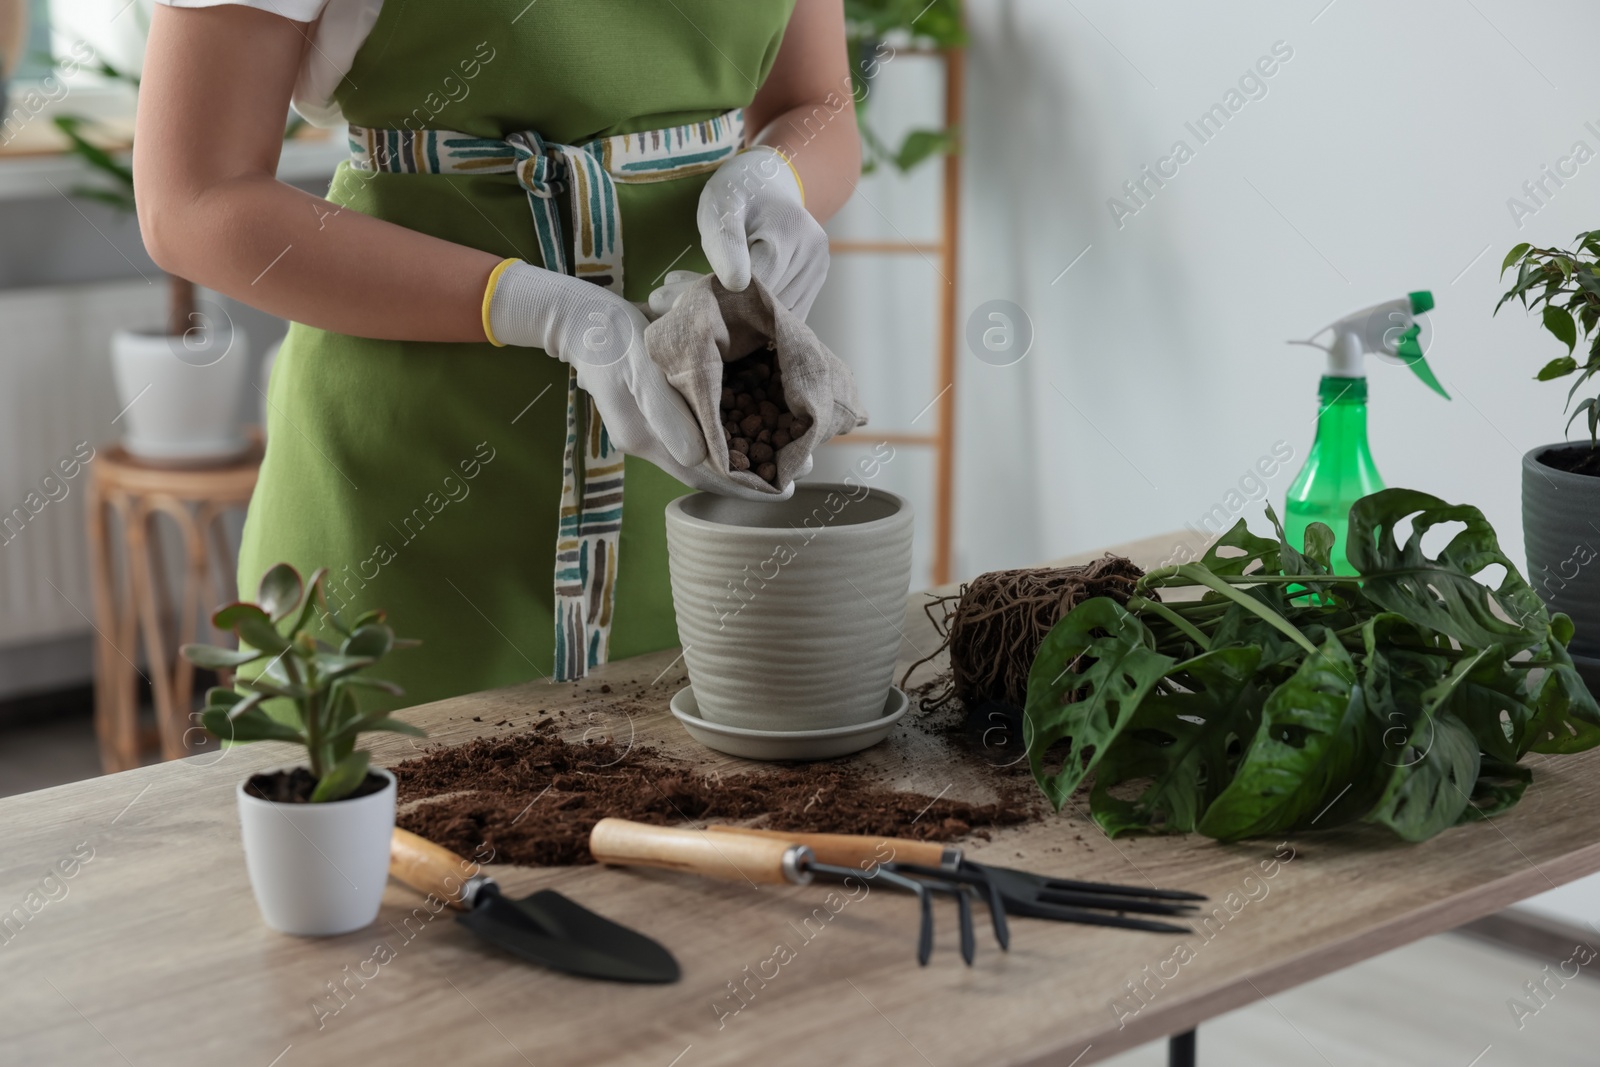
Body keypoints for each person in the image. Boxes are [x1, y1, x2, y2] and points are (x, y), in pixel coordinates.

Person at [134, 0, 861, 704]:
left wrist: (779, 177)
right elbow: (193, 196)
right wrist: (542, 310)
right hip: (405, 486)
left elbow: (817, 104)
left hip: (685, 460)